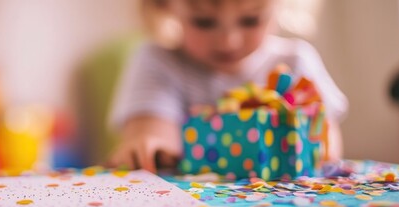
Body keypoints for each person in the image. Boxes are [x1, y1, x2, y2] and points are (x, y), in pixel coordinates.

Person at [108, 0, 348, 172]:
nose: (228, 41)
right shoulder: (158, 61)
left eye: (251, 20)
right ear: (165, 5)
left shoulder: (296, 60)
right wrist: (151, 146)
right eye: (204, 22)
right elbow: (155, 140)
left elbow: (325, 146)